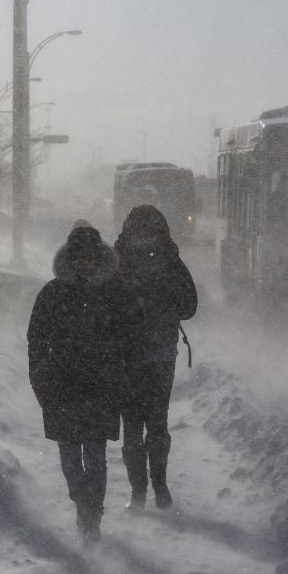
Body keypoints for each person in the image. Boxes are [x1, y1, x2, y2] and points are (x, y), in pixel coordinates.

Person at [27, 226, 133, 546]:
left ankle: (92, 515)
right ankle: (83, 504)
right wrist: (41, 379)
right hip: (62, 386)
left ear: (98, 258)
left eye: (90, 257)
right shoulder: (52, 293)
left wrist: (120, 379)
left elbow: (127, 342)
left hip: (101, 386)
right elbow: (36, 340)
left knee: (96, 455)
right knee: (70, 457)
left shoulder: (113, 293)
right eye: (79, 257)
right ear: (70, 258)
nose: (84, 262)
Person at [114, 204, 197, 511]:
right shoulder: (170, 260)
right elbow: (189, 306)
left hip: (131, 354)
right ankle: (157, 487)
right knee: (155, 422)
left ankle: (140, 492)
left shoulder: (118, 261)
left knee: (134, 425)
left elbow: (103, 305)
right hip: (157, 353)